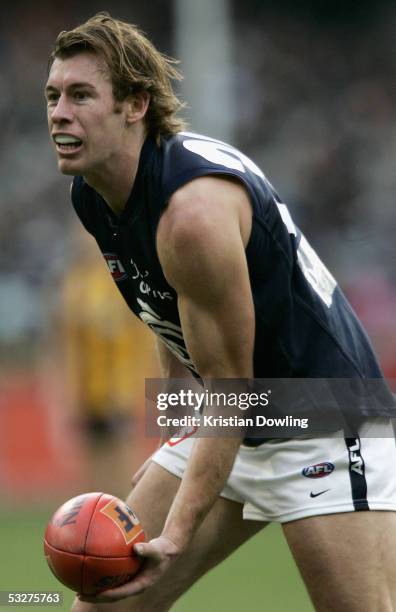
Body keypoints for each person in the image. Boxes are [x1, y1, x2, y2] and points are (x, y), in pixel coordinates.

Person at [45, 12, 396, 612]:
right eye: (53, 95)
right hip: (235, 414)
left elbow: (232, 391)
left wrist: (177, 532)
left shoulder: (193, 216)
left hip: (320, 420)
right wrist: (173, 438)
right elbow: (166, 316)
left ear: (135, 105)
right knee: (103, 607)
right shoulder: (94, 194)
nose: (58, 113)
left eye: (80, 95)